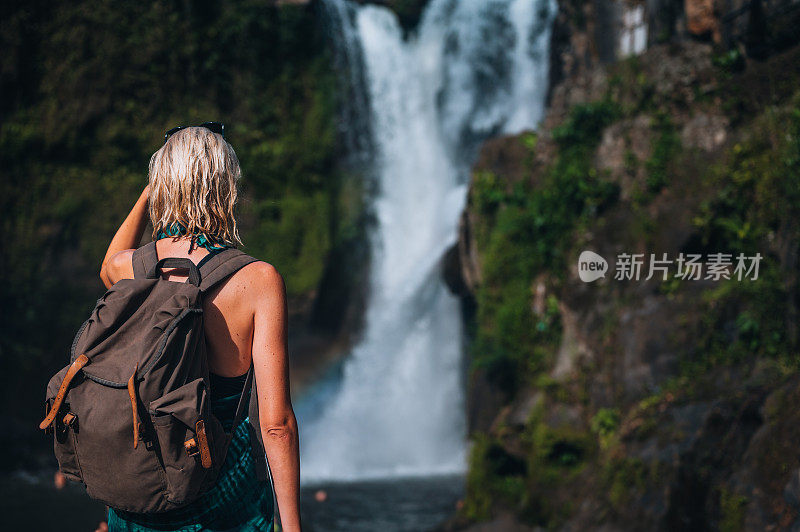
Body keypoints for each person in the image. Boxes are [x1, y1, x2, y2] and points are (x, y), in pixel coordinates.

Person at [97, 125, 302, 532]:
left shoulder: (131, 269)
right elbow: (275, 423)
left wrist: (152, 187)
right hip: (223, 494)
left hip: (139, 491)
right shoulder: (257, 280)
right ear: (227, 187)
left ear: (163, 184)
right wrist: (293, 526)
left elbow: (108, 263)